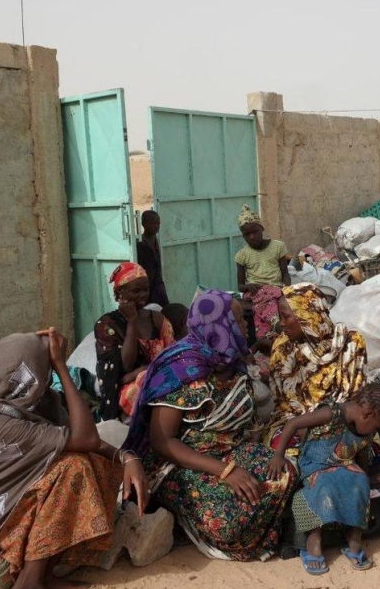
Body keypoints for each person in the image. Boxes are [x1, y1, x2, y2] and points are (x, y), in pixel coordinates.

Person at [0, 330, 148, 589]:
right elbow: (87, 438)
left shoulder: (9, 407)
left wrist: (125, 456)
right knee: (73, 469)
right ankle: (31, 583)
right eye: (45, 368)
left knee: (90, 463)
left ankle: (43, 575)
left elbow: (84, 442)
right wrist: (62, 366)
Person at [121, 290, 296, 561]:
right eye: (237, 320)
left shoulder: (230, 360)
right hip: (181, 462)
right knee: (227, 519)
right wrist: (226, 471)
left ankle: (272, 526)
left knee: (285, 471)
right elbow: (162, 442)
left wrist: (233, 465)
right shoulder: (181, 368)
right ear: (219, 326)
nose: (245, 326)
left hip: (229, 450)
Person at [267, 383, 380, 575]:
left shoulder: (366, 428)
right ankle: (314, 539)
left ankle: (353, 538)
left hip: (343, 463)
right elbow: (293, 424)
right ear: (367, 415)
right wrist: (278, 456)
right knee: (323, 485)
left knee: (360, 482)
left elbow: (362, 451)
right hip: (315, 463)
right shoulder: (331, 414)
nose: (376, 431)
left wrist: (364, 476)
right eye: (378, 427)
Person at [263, 283, 367, 450]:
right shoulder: (283, 347)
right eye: (280, 317)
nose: (281, 324)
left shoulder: (350, 343)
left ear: (307, 315)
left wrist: (324, 424)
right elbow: (283, 404)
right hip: (294, 423)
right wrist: (303, 425)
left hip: (341, 419)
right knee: (287, 463)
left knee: (357, 452)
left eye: (286, 316)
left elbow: (354, 396)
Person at [94, 262, 175, 421]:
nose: (143, 295)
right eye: (136, 291)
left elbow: (172, 355)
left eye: (146, 289)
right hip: (128, 390)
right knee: (142, 383)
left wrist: (144, 369)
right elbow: (125, 366)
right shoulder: (107, 325)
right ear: (119, 293)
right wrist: (131, 322)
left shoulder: (157, 320)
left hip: (164, 378)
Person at [236, 205, 291, 294]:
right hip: (255, 293)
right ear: (243, 236)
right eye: (247, 234)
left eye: (255, 232)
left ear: (262, 229)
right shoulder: (241, 255)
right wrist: (248, 286)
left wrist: (288, 289)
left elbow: (285, 273)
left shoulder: (278, 246)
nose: (252, 237)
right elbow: (240, 286)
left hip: (276, 290)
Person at [136, 209, 169, 307]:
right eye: (152, 223)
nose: (156, 226)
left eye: (158, 224)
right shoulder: (140, 244)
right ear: (143, 224)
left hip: (158, 286)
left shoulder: (157, 241)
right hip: (147, 286)